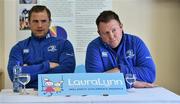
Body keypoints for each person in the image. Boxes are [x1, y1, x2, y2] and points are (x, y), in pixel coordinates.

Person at [8, 5, 76, 89]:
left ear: (49, 22)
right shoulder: (18, 48)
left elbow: (67, 72)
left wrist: (28, 70)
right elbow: (14, 75)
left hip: (57, 93)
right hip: (28, 95)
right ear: (28, 23)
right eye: (35, 21)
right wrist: (47, 66)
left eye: (43, 21)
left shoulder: (64, 44)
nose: (39, 25)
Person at [85, 10, 156, 88]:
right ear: (99, 33)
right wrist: (131, 83)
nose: (111, 36)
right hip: (106, 97)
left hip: (136, 96)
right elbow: (94, 81)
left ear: (121, 27)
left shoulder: (136, 43)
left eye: (114, 30)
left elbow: (150, 75)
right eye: (106, 33)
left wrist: (120, 70)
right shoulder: (94, 47)